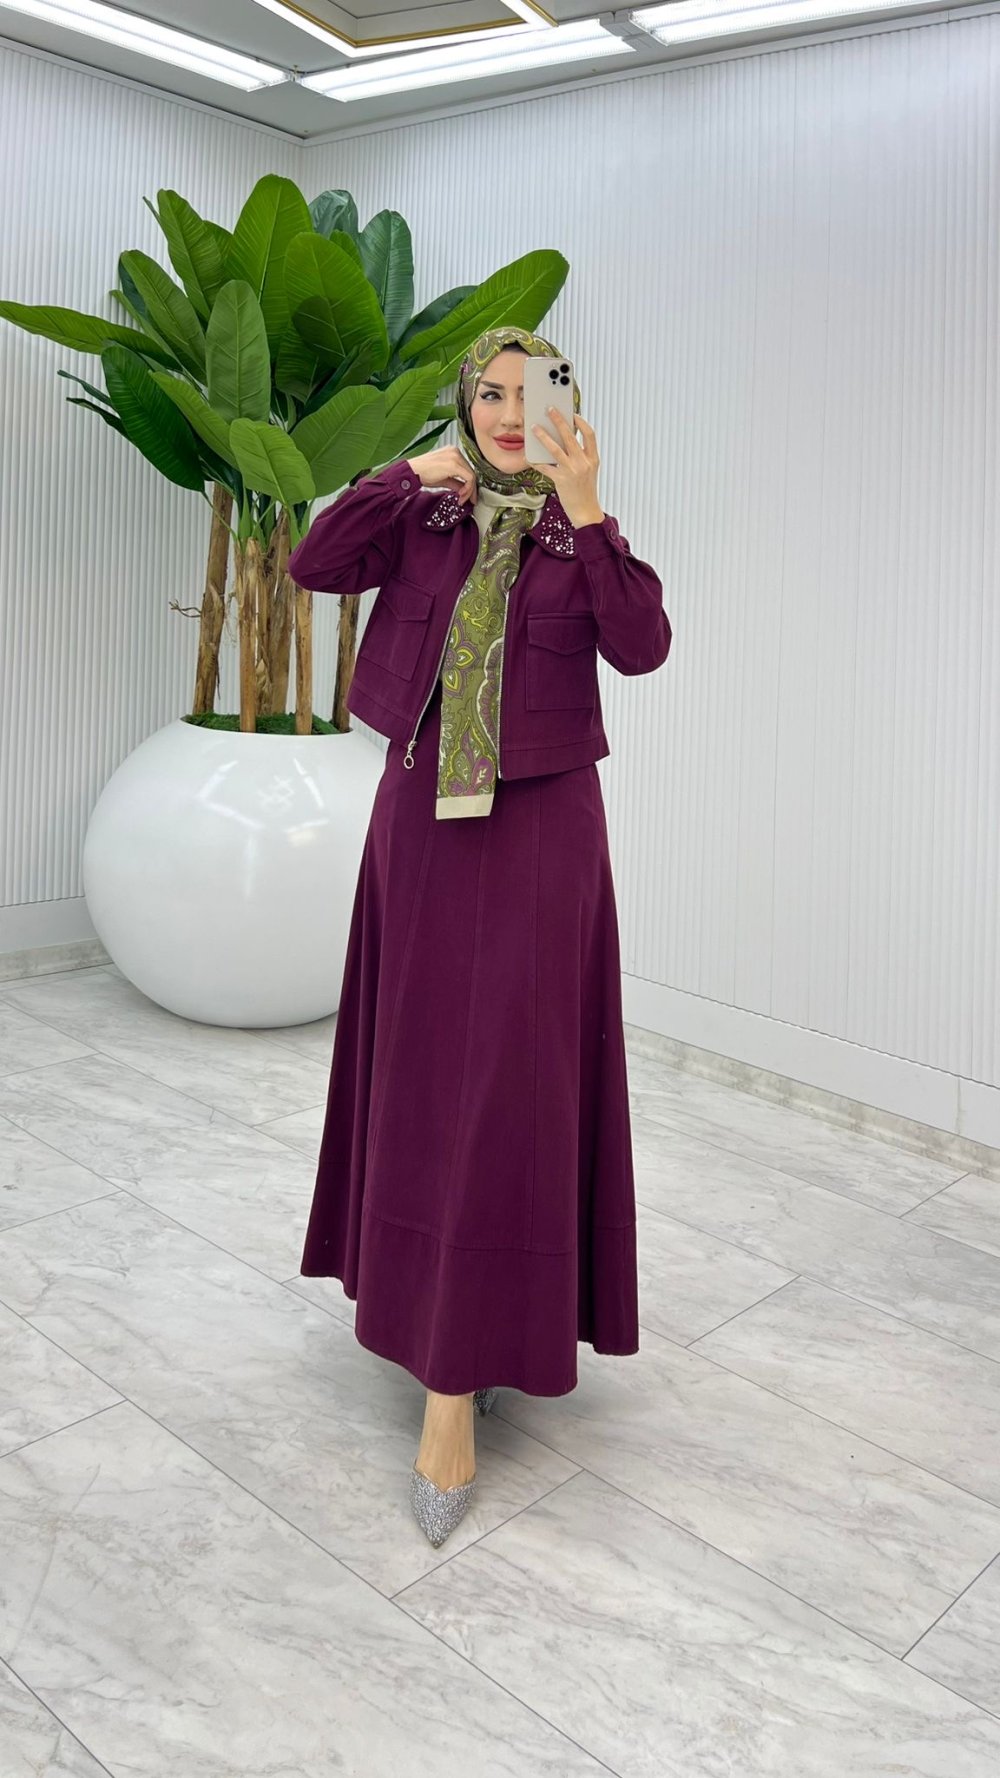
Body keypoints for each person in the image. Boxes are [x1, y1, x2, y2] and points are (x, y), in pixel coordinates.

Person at [286, 325, 672, 1548]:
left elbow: (641, 646)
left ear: (568, 406)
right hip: (419, 824)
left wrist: (588, 508)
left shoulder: (578, 534)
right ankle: (433, 1316)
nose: (510, 412)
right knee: (420, 1073)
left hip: (542, 832)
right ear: (463, 404)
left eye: (534, 392)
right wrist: (407, 473)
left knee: (514, 1084)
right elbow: (312, 562)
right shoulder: (420, 516)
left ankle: (458, 1381)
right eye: (490, 393)